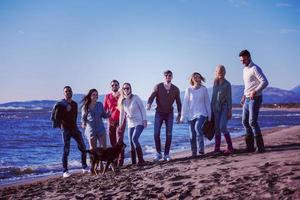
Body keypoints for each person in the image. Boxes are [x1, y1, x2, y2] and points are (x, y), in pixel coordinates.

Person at [53, 86, 88, 178]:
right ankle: (65, 171)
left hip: (75, 128)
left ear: (72, 92)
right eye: (66, 91)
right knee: (66, 150)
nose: (68, 92)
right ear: (64, 93)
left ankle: (84, 167)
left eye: (69, 91)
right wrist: (65, 111)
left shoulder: (75, 104)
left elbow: (75, 116)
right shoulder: (60, 105)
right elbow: (57, 118)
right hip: (66, 130)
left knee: (83, 147)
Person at [147, 70, 182, 161]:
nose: (168, 77)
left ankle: (166, 154)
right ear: (164, 77)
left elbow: (179, 102)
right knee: (156, 133)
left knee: (169, 134)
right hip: (159, 112)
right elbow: (152, 96)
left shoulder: (175, 89)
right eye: (166, 75)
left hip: (169, 113)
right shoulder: (158, 86)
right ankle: (158, 153)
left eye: (169, 75)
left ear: (172, 77)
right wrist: (149, 103)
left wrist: (179, 114)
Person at [239, 49, 269, 153]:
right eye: (241, 60)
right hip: (246, 98)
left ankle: (260, 147)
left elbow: (265, 82)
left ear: (249, 57)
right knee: (245, 121)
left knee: (252, 121)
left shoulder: (255, 68)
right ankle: (250, 147)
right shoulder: (244, 70)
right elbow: (248, 85)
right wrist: (244, 95)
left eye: (244, 60)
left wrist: (255, 91)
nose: (242, 62)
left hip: (255, 98)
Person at [180, 72, 211, 157]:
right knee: (192, 134)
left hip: (202, 113)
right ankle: (194, 151)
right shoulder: (189, 90)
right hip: (191, 115)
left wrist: (210, 114)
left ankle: (201, 149)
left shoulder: (204, 89)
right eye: (195, 77)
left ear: (201, 79)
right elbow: (185, 103)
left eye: (199, 77)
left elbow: (207, 102)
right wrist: (183, 116)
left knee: (197, 127)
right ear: (192, 79)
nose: (197, 79)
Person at [119, 83, 147, 165]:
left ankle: (141, 160)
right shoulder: (123, 101)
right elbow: (122, 114)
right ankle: (134, 163)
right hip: (130, 124)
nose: (126, 89)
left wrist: (145, 120)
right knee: (131, 143)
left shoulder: (136, 97)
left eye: (128, 88)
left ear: (130, 89)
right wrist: (120, 125)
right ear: (123, 90)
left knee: (134, 139)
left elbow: (142, 108)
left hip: (139, 122)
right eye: (124, 88)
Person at [211, 65, 234, 154]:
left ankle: (230, 147)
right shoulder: (215, 82)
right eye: (218, 71)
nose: (220, 73)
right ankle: (217, 148)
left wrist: (229, 110)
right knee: (217, 128)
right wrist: (210, 110)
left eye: (222, 71)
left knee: (222, 126)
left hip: (224, 107)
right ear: (216, 72)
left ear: (224, 72)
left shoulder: (227, 84)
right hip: (215, 108)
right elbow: (213, 97)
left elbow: (229, 98)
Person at [104, 80, 126, 167]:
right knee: (113, 142)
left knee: (119, 141)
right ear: (111, 87)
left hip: (121, 121)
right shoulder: (107, 96)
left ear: (118, 86)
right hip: (111, 122)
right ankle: (114, 161)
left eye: (116, 85)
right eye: (112, 85)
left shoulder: (122, 95)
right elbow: (104, 109)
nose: (114, 86)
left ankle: (120, 162)